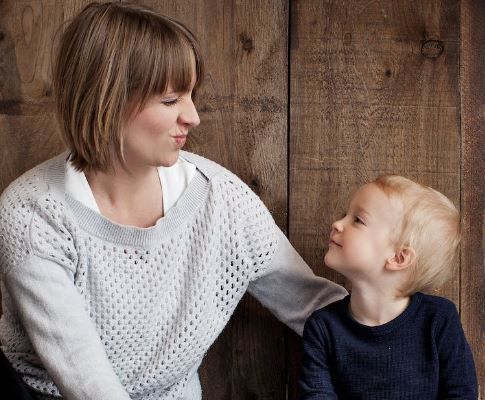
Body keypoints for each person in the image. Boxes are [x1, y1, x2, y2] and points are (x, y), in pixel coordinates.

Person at [0, 2, 347, 399]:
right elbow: (88, 385)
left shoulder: (221, 199)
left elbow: (316, 307)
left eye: (191, 95)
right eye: (170, 101)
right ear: (106, 101)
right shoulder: (33, 214)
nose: (193, 117)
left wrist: (419, 331)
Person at [299, 175, 478, 399]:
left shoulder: (439, 319)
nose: (337, 224)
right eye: (345, 215)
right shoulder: (323, 327)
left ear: (399, 257)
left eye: (358, 220)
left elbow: (461, 393)